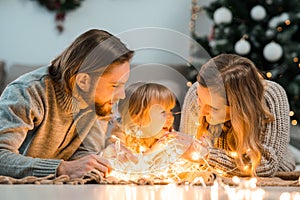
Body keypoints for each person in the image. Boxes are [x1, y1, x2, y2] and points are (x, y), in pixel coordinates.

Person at [0, 29, 136, 179]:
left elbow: (82, 157)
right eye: (115, 85)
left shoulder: (97, 103)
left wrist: (103, 157)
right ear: (83, 81)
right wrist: (61, 168)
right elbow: (1, 156)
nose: (122, 95)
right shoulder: (27, 92)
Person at [180, 53, 296, 177]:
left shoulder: (271, 97)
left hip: (277, 164)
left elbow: (267, 165)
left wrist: (208, 155)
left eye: (213, 108)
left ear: (239, 108)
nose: (201, 112)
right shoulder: (196, 93)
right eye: (200, 102)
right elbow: (188, 160)